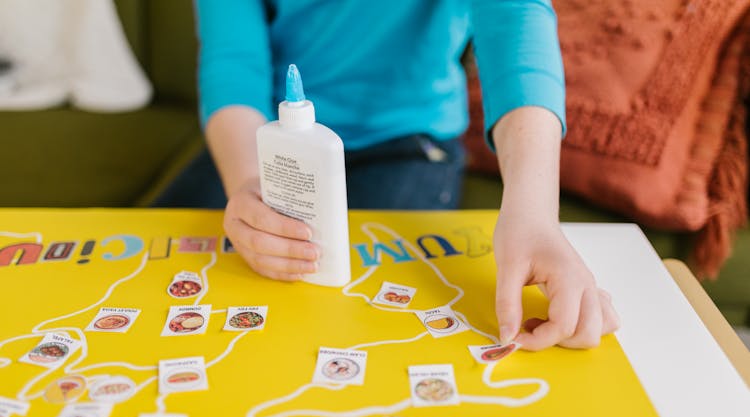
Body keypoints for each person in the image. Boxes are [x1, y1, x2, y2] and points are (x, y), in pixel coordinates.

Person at [177, 0, 619, 350]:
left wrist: (535, 212)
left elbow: (514, 17)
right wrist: (245, 183)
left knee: (357, 315)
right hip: (269, 137)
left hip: (406, 139)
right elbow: (232, 57)